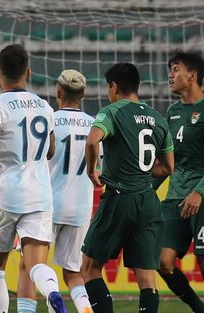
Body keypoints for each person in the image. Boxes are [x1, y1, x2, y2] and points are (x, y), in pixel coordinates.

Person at [0, 43, 69, 313]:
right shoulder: (44, 106)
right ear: (28, 72)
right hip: (40, 195)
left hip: (3, 194)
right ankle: (52, 291)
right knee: (36, 266)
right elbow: (51, 149)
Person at [81, 62, 174, 313]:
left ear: (114, 86)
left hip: (119, 197)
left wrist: (91, 171)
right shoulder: (158, 118)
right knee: (146, 277)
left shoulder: (112, 111)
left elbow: (92, 142)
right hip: (148, 200)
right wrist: (141, 171)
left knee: (89, 268)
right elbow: (167, 167)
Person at [155, 52, 204, 313]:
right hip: (175, 195)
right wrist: (145, 191)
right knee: (163, 262)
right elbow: (167, 161)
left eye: (176, 69)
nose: (170, 75)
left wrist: (198, 192)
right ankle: (200, 309)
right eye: (170, 70)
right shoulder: (172, 112)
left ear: (193, 75)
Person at [15, 69, 95, 313]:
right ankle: (85, 309)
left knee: (29, 266)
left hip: (47, 203)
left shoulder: (48, 119)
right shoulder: (94, 124)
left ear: (57, 92)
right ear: (82, 94)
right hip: (81, 206)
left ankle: (45, 301)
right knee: (73, 273)